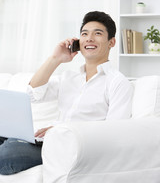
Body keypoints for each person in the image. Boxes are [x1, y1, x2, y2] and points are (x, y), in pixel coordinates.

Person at [0, 11, 133, 175]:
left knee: (7, 154)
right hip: (47, 141)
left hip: (70, 149)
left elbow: (113, 132)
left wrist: (60, 129)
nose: (89, 38)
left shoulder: (117, 82)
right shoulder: (69, 77)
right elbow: (34, 94)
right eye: (84, 34)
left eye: (97, 33)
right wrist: (55, 58)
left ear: (111, 42)